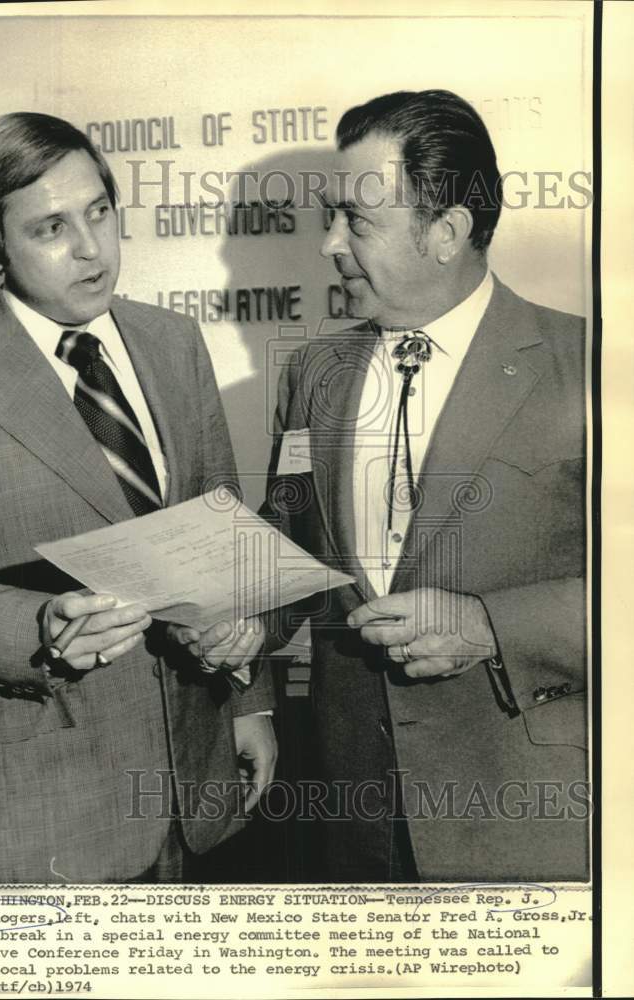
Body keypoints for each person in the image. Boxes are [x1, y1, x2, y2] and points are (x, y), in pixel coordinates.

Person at [0, 111, 276, 884]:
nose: (91, 249)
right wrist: (39, 623)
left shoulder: (172, 341)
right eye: (50, 228)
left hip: (191, 788)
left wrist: (247, 694)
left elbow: (227, 537)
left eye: (99, 211)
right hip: (31, 811)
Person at [263, 90, 587, 881]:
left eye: (357, 222)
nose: (329, 244)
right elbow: (287, 554)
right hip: (351, 820)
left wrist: (488, 624)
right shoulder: (314, 372)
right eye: (329, 218)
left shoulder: (589, 365)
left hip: (527, 817)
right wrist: (232, 629)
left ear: (446, 232)